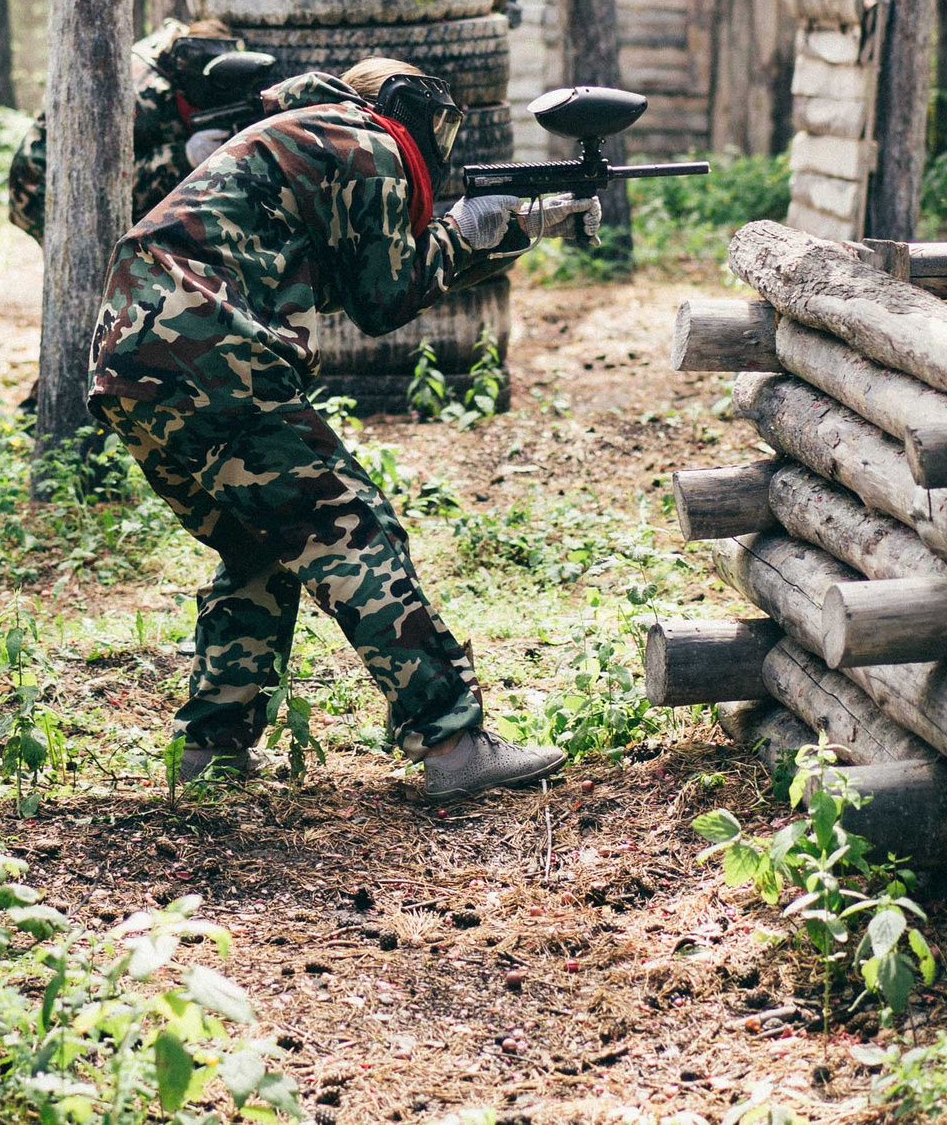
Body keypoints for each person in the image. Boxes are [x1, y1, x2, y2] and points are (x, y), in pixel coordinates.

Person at [87, 57, 599, 800]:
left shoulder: (314, 139)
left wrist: (513, 229)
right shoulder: (372, 143)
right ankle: (452, 743)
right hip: (206, 341)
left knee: (257, 545)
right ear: (411, 113)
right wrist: (462, 231)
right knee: (355, 529)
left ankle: (210, 752)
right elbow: (385, 301)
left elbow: (375, 274)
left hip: (135, 351)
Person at [7, 17, 251, 242]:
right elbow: (105, 182)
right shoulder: (138, 95)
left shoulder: (178, 58)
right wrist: (184, 156)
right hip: (42, 190)